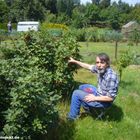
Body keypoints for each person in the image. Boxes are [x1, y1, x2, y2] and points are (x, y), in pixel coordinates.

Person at [67, 53, 119, 120]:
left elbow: (110, 98)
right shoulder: (100, 69)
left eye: (102, 62)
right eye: (97, 62)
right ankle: (88, 108)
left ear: (107, 64)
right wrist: (75, 61)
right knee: (82, 87)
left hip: (104, 102)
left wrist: (94, 98)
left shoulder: (111, 77)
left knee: (76, 93)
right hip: (99, 93)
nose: (99, 65)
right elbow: (88, 66)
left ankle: (71, 118)